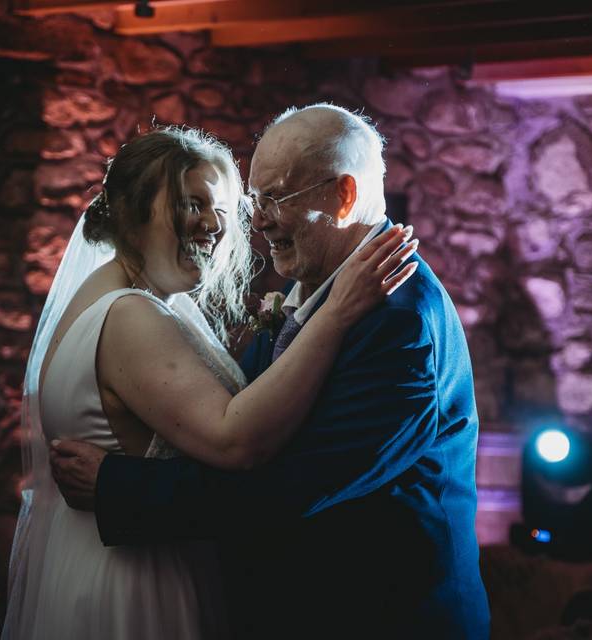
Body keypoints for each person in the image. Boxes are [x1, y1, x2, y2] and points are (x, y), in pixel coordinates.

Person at [52, 104, 491, 638]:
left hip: (379, 616)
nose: (256, 221)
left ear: (344, 195)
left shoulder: (397, 320)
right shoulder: (310, 290)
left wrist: (120, 489)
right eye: (255, 200)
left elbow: (293, 483)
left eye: (276, 198)